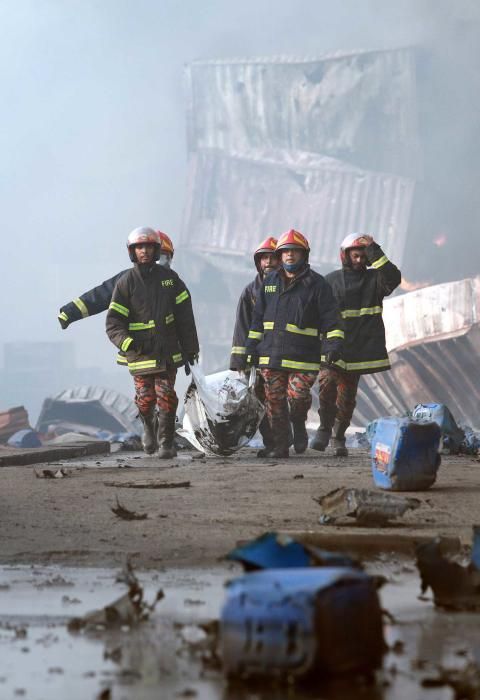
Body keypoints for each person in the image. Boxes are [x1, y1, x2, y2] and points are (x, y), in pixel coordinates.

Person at [242, 229, 344, 458]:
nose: (289, 255)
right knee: (274, 402)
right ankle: (280, 446)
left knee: (297, 398)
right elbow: (257, 320)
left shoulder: (317, 284)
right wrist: (250, 348)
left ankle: (298, 423)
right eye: (285, 251)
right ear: (280, 255)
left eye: (294, 251)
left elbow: (331, 319)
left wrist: (333, 345)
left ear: (303, 255)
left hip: (303, 357)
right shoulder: (269, 283)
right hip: (271, 355)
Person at [106, 227, 199, 458]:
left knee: (166, 396)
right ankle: (149, 427)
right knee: (146, 400)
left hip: (167, 352)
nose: (144, 251)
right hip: (139, 353)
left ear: (156, 250)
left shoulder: (170, 280)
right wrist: (127, 343)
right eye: (139, 247)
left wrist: (191, 350)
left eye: (148, 246)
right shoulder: (126, 283)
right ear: (132, 252)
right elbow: (114, 322)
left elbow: (185, 318)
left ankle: (166, 442)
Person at [310, 233, 401, 457]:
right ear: (345, 256)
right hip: (334, 345)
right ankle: (324, 428)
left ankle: (338, 437)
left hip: (359, 349)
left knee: (347, 397)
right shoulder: (330, 281)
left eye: (363, 256)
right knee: (326, 382)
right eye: (355, 256)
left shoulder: (376, 280)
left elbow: (393, 277)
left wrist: (373, 248)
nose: (359, 260)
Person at [58, 231, 174, 343]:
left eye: (165, 258)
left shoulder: (173, 282)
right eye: (159, 257)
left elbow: (182, 317)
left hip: (169, 351)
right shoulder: (128, 280)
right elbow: (100, 295)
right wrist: (70, 312)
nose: (160, 263)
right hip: (137, 349)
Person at [230, 236, 281, 457]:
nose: (268, 262)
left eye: (273, 257)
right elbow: (242, 328)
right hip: (258, 357)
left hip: (283, 355)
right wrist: (239, 361)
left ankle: (284, 438)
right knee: (260, 401)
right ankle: (272, 443)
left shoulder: (290, 289)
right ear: (258, 262)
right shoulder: (250, 292)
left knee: (281, 400)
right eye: (264, 258)